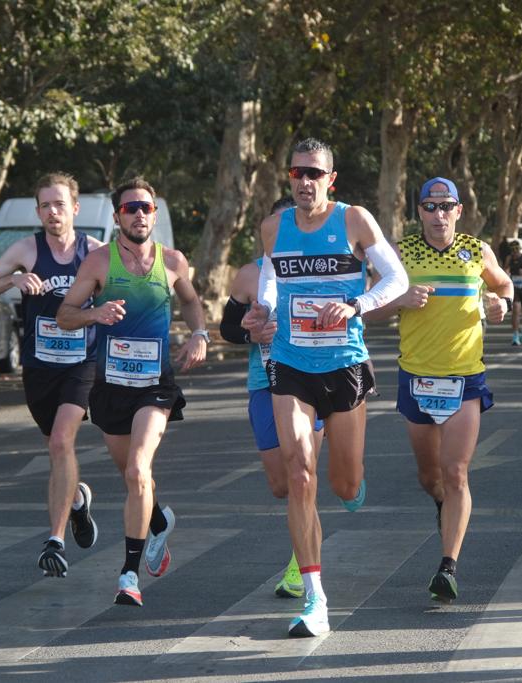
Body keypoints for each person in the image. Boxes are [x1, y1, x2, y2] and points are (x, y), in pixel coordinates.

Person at [241, 137, 409, 637]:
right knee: (299, 474)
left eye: (315, 174)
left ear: (330, 180)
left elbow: (396, 278)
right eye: (297, 173)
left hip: (344, 364)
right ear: (288, 178)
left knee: (343, 484)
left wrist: (356, 305)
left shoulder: (353, 220)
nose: (305, 182)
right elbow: (271, 278)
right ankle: (316, 598)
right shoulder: (275, 227)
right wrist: (263, 313)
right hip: (290, 363)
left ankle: (352, 478)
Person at [57, 176, 208, 606]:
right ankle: (159, 520)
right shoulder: (99, 263)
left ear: (155, 213)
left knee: (139, 470)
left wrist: (199, 334)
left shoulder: (174, 260)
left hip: (154, 386)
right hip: (111, 386)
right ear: (118, 215)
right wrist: (95, 313)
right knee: (132, 477)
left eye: (146, 207)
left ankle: (128, 573)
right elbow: (64, 315)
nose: (139, 214)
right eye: (130, 208)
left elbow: (192, 301)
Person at [363, 177, 512, 601]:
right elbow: (367, 311)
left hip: (465, 377)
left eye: (447, 206)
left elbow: (503, 284)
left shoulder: (476, 250)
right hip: (417, 378)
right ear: (420, 213)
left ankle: (448, 565)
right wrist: (400, 300)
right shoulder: (400, 255)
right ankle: (444, 510)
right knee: (431, 478)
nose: (439, 214)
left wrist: (502, 301)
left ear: (459, 211)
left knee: (457, 471)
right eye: (430, 207)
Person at [0, 172, 103, 577]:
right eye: (45, 205)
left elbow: (127, 292)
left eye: (59, 204)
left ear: (75, 208)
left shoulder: (95, 252)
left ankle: (55, 540)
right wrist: (13, 279)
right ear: (38, 211)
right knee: (56, 448)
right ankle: (77, 500)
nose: (52, 212)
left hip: (82, 363)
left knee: (63, 439)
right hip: (40, 367)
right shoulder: (27, 249)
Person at [220, 196, 326, 600]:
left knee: (303, 477)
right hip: (264, 383)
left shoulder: (321, 270)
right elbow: (228, 328)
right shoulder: (250, 275)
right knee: (282, 484)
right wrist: (251, 332)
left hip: (311, 381)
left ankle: (303, 566)